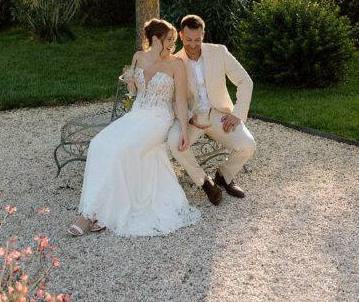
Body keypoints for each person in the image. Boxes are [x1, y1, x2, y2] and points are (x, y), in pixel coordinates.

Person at [68, 18, 200, 237]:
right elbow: (135, 94)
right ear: (155, 39)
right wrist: (131, 84)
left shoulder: (176, 64)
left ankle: (89, 216)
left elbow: (180, 101)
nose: (172, 45)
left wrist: (184, 131)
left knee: (122, 150)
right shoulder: (138, 57)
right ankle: (104, 211)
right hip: (136, 114)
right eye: (169, 40)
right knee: (99, 144)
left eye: (174, 41)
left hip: (158, 119)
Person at [167, 14, 256, 205]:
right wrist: (190, 118)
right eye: (188, 40)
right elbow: (174, 99)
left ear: (203, 35)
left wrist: (237, 114)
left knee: (248, 145)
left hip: (219, 115)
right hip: (192, 117)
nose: (193, 44)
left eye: (197, 40)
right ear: (181, 36)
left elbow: (245, 81)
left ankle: (224, 175)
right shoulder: (174, 61)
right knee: (176, 143)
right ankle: (205, 182)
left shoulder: (219, 52)